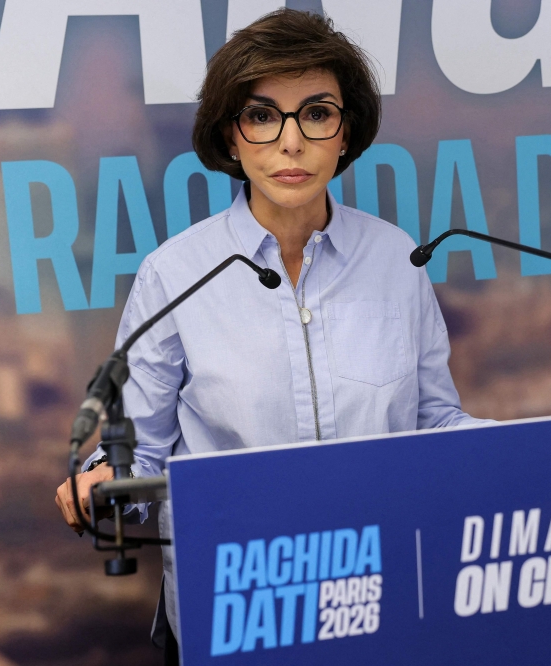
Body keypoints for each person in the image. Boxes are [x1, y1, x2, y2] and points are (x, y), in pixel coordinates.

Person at [55, 8, 488, 662]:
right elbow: (137, 455)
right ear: (232, 138)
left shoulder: (397, 259)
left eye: (317, 113)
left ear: (347, 134)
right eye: (262, 116)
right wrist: (99, 481)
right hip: (237, 613)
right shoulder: (175, 274)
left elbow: (432, 420)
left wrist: (533, 453)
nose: (292, 142)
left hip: (381, 601)